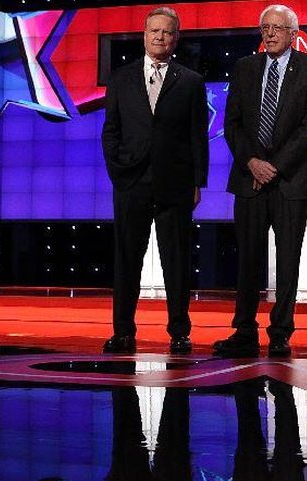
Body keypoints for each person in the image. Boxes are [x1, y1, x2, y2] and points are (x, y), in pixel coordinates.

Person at [216, 4, 307, 358]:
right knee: (248, 258)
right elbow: (231, 123)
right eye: (265, 27)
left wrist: (274, 166)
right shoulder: (245, 67)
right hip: (249, 178)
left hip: (291, 179)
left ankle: (280, 332)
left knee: (288, 259)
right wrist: (252, 162)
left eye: (277, 28)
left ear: (293, 34)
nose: (270, 33)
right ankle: (244, 331)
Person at [100, 6, 208, 355]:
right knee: (126, 259)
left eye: (166, 32)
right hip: (131, 183)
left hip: (175, 183)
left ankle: (179, 331)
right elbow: (111, 131)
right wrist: (119, 171)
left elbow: (197, 137)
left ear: (176, 38)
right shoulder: (121, 78)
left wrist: (197, 182)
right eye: (153, 31)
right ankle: (123, 331)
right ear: (144, 35)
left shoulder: (190, 81)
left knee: (176, 261)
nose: (159, 37)